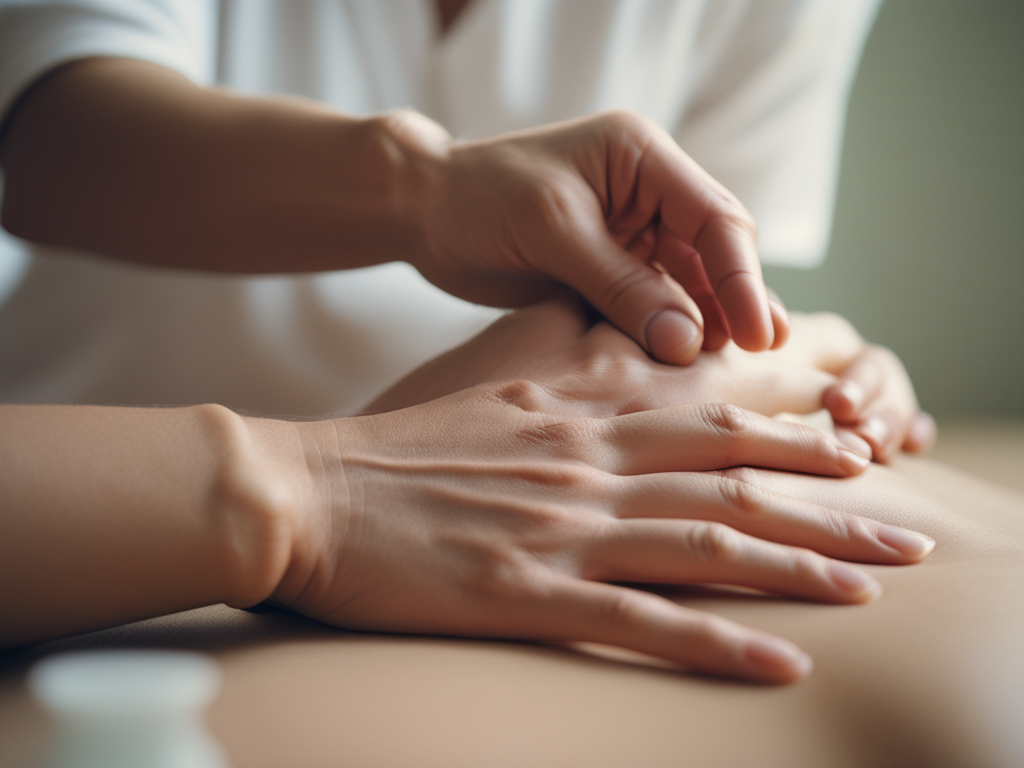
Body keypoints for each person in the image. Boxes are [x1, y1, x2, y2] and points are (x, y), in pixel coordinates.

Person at [0, 0, 935, 684]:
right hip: (96, 518)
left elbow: (688, 304)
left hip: (510, 499)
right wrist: (422, 192)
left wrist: (802, 347)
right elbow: (42, 136)